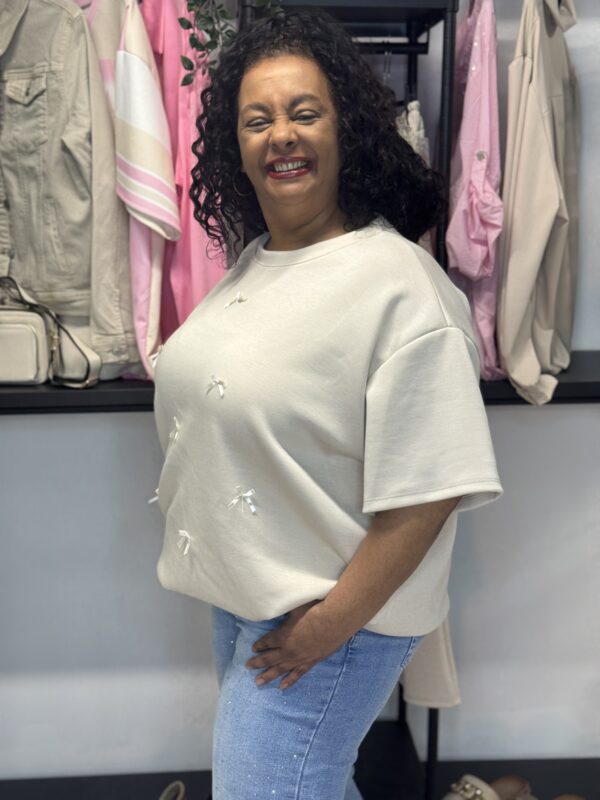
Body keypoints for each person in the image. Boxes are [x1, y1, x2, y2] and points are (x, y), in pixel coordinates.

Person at [152, 10, 502, 800]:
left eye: (304, 113)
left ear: (346, 132)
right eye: (257, 120)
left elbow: (431, 490)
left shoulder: (400, 288)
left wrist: (326, 628)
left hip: (331, 614)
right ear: (234, 146)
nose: (281, 134)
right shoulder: (256, 262)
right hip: (249, 594)